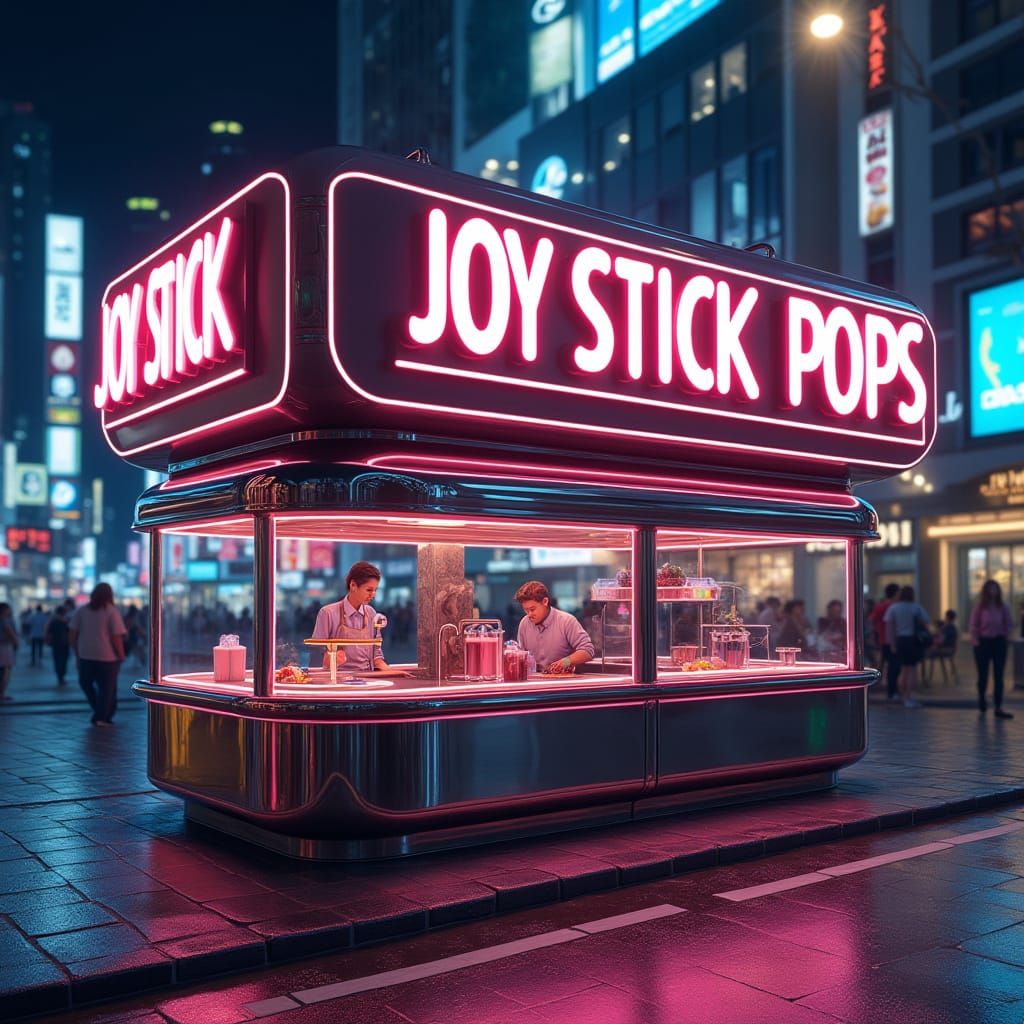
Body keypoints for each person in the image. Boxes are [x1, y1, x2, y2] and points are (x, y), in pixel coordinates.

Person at [312, 561, 392, 673]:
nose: (373, 594)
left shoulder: (372, 613)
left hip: (368, 678)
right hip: (339, 680)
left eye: (375, 590)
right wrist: (331, 658)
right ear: (353, 585)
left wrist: (395, 674)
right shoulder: (327, 613)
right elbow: (315, 653)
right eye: (369, 590)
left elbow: (376, 657)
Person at [70, 583, 127, 726]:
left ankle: (101, 713)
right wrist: (121, 654)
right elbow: (116, 637)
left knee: (86, 684)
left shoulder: (81, 611)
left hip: (86, 656)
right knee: (107, 688)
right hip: (107, 657)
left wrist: (77, 653)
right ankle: (102, 715)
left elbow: (72, 634)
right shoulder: (111, 612)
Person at [514, 580, 595, 674]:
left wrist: (565, 662)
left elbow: (588, 651)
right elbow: (521, 656)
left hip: (563, 682)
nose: (529, 614)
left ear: (545, 601)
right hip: (534, 681)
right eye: (526, 610)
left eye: (532, 609)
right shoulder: (524, 623)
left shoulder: (566, 621)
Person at [970, 579, 1013, 719]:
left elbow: (1009, 623)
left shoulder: (1003, 606)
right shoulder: (980, 607)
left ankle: (998, 707)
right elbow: (973, 625)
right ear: (985, 591)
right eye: (990, 588)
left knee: (998, 675)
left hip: (999, 642)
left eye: (995, 588)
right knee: (983, 675)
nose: (992, 591)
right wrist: (975, 640)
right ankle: (982, 699)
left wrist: (1006, 636)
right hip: (983, 643)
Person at [883, 585, 929, 709]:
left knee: (903, 669)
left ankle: (903, 696)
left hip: (899, 640)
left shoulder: (894, 608)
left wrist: (891, 643)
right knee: (912, 669)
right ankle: (911, 696)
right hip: (912, 640)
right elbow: (926, 620)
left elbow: (889, 627)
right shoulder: (916, 607)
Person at [869, 583, 901, 701]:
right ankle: (892, 691)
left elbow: (872, 620)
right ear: (895, 593)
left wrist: (876, 632)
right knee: (895, 667)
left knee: (889, 665)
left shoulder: (880, 606)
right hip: (893, 640)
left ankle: (890, 690)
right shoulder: (894, 607)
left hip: (882, 639)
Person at [44, 605, 71, 685]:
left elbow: (48, 632)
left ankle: (59, 676)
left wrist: (47, 640)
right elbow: (71, 632)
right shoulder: (67, 621)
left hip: (56, 643)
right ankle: (61, 676)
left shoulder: (53, 621)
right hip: (65, 644)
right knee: (64, 661)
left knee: (57, 660)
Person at [0, 603, 19, 701]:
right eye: (8, 609)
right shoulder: (4, 621)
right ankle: (1, 694)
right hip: (5, 648)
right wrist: (16, 642)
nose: (10, 610)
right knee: (5, 671)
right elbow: (10, 633)